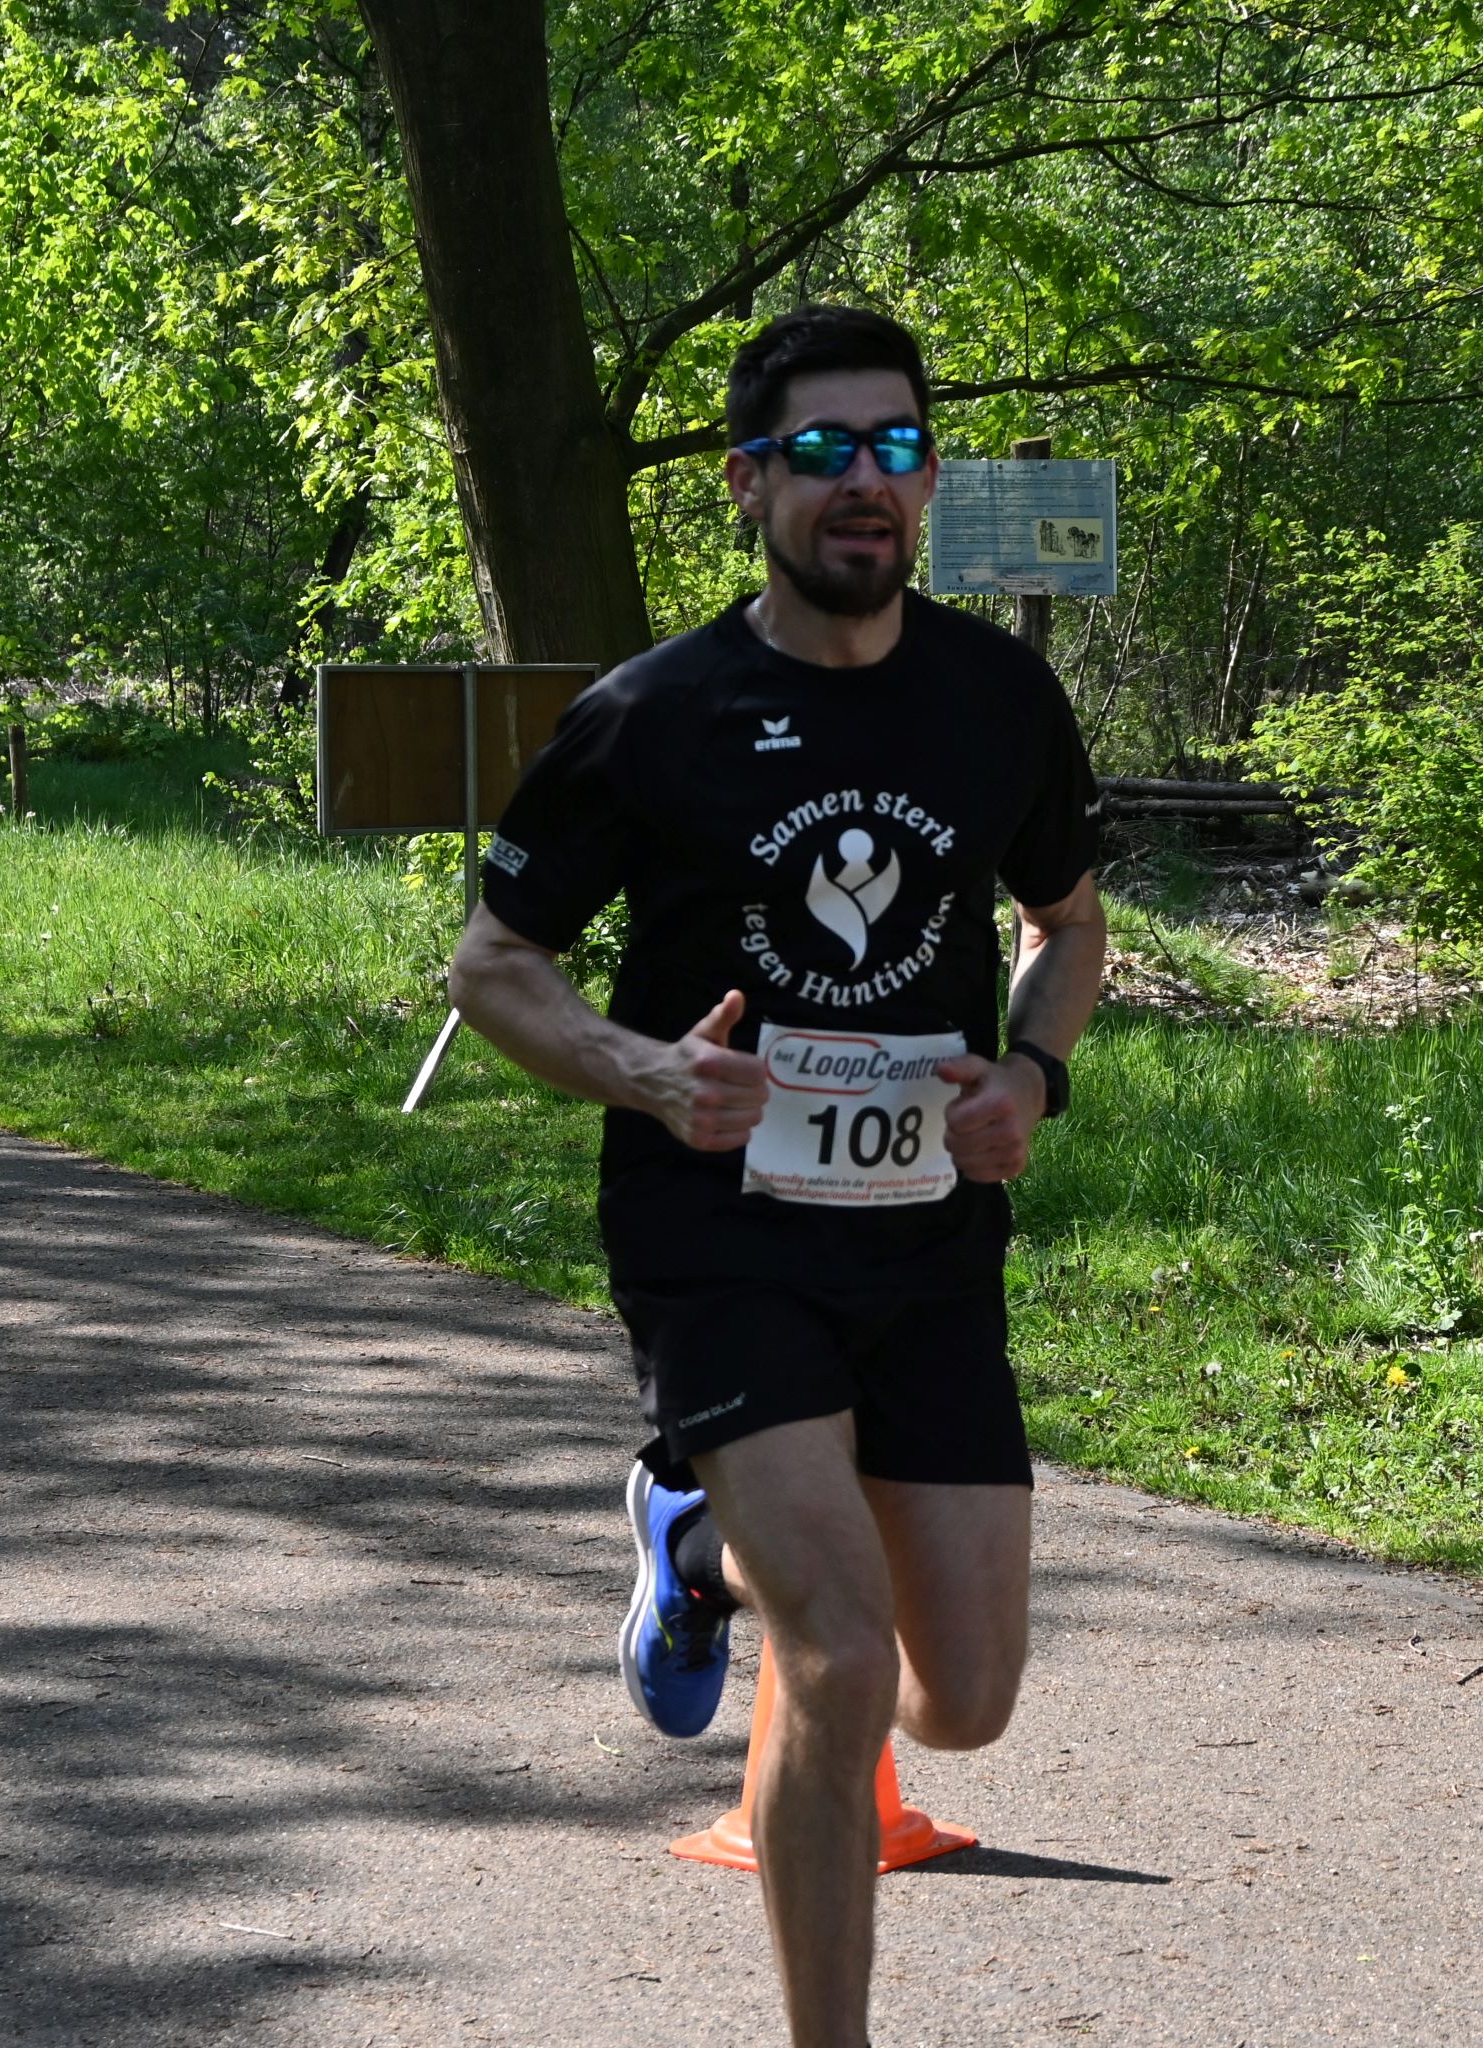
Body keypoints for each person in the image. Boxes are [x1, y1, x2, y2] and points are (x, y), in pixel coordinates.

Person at [445, 303, 1104, 2048]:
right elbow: (494, 966)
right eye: (821, 451)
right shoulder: (651, 714)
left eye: (897, 447)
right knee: (839, 1651)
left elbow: (1066, 924)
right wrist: (648, 1072)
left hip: (928, 1241)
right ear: (748, 484)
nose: (863, 480)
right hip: (718, 1233)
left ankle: (693, 1538)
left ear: (931, 482)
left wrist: (1029, 1075)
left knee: (962, 1700)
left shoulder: (998, 700)